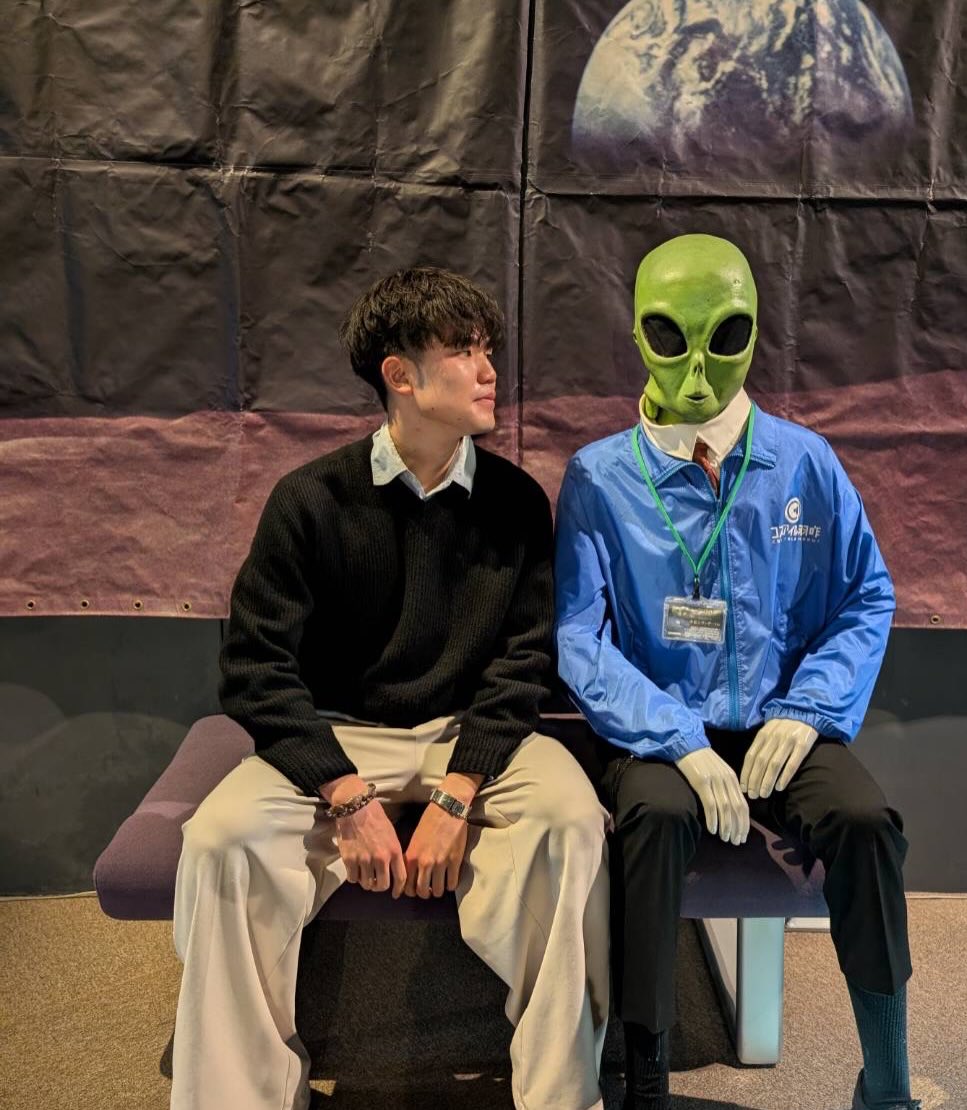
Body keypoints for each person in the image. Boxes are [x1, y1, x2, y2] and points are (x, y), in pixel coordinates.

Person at [171, 266, 610, 1110]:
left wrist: (457, 792)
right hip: (342, 733)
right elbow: (255, 668)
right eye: (463, 351)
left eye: (488, 349)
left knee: (570, 822)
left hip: (473, 735)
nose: (489, 370)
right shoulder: (309, 501)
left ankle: (561, 1096)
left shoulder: (517, 503)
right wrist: (344, 793)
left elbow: (524, 662)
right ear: (399, 375)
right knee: (221, 839)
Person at [554, 234, 918, 1110]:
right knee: (651, 821)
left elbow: (865, 595)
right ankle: (645, 1083)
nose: (696, 371)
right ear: (638, 336)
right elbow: (578, 637)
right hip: (659, 729)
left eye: (723, 338)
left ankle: (887, 1083)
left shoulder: (803, 462)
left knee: (866, 824)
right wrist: (675, 738)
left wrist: (808, 709)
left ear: (754, 333)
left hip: (779, 720)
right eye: (669, 336)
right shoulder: (599, 478)